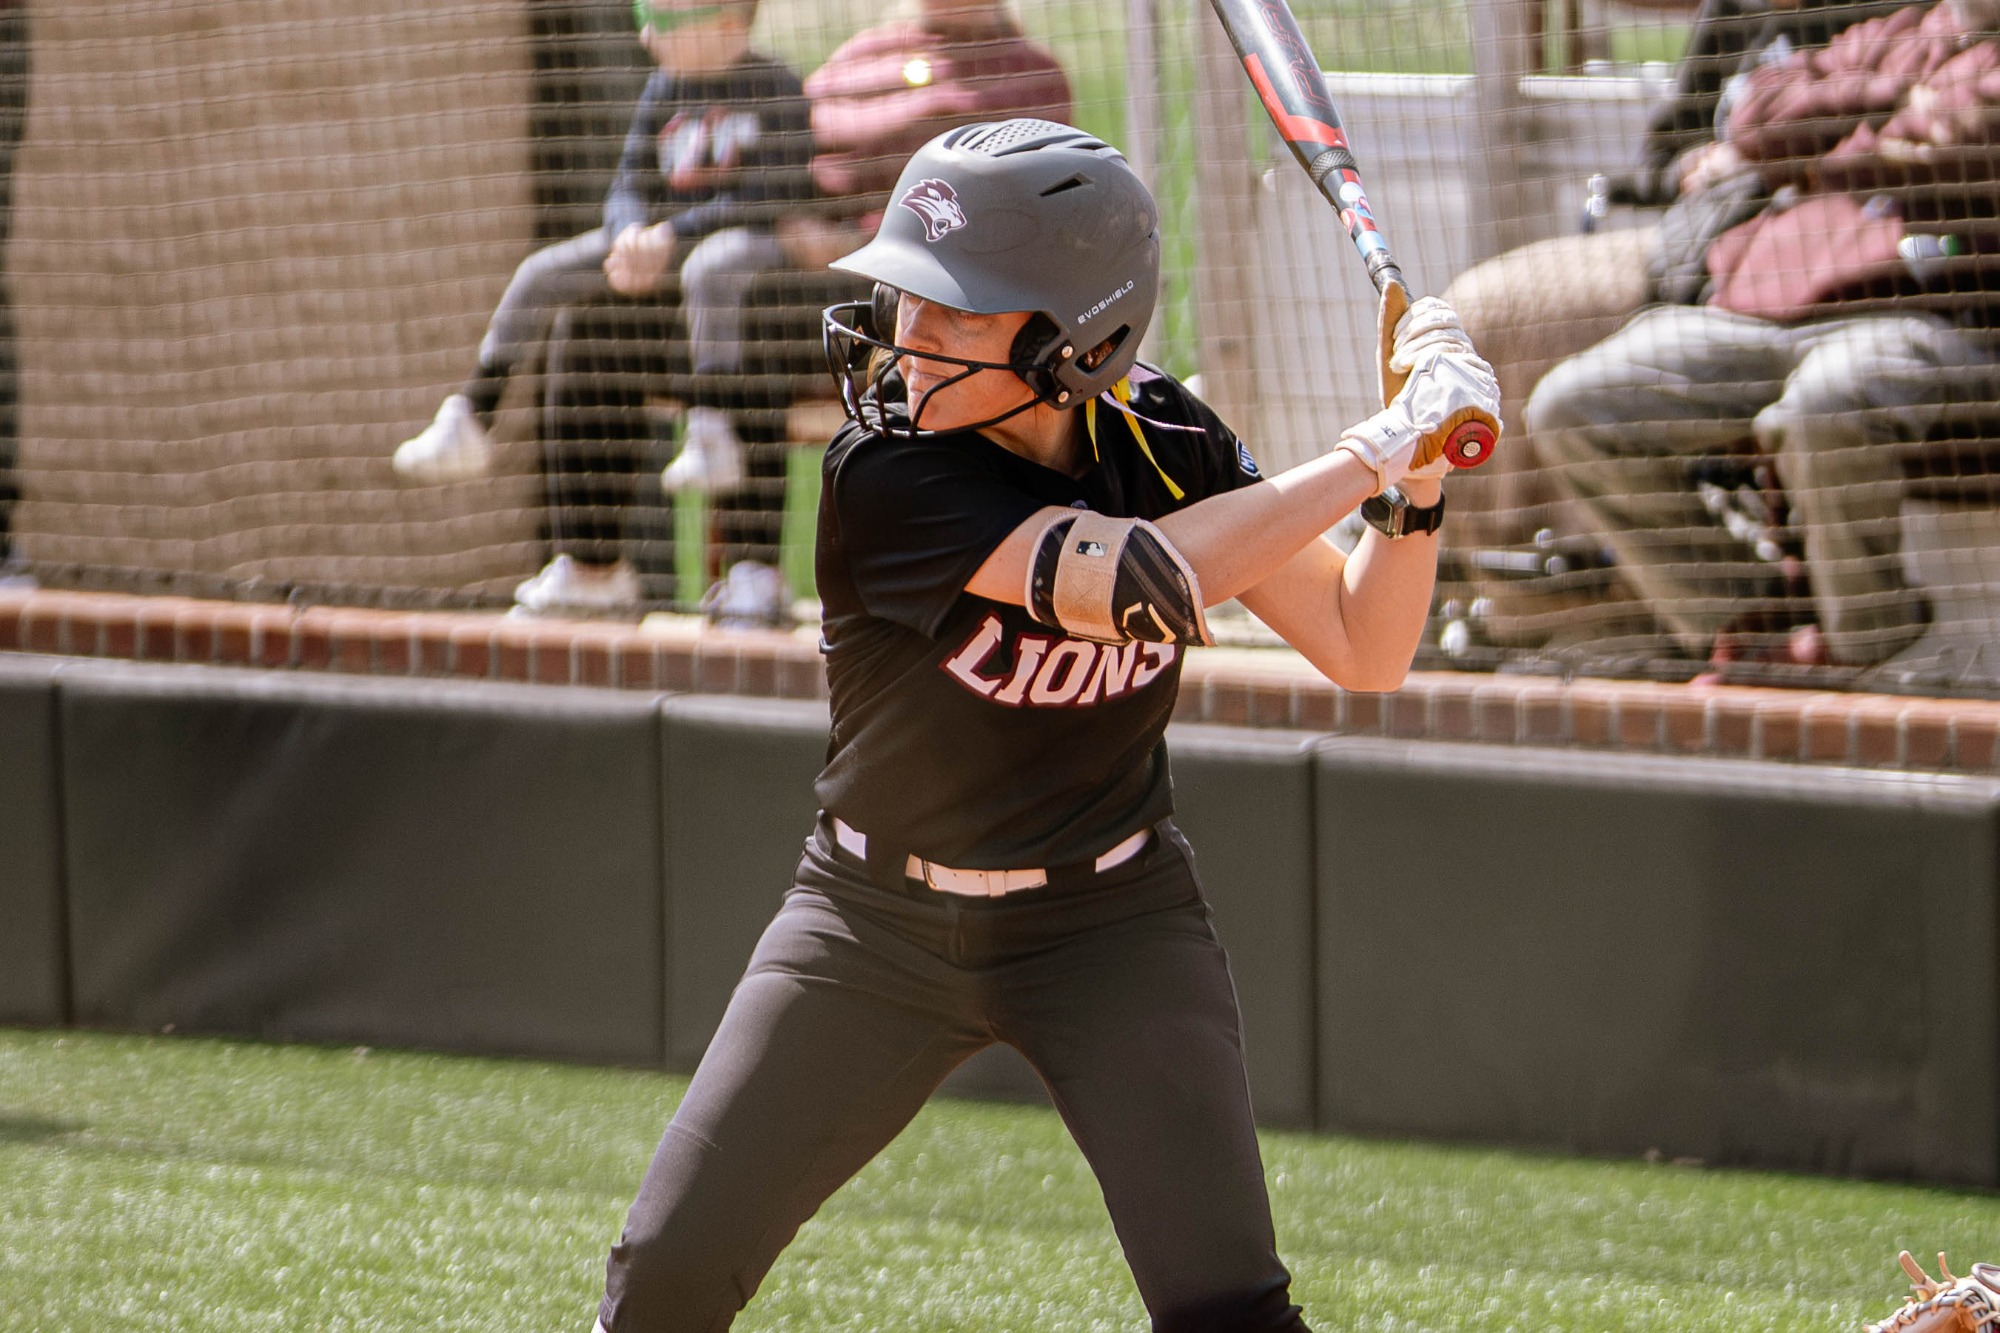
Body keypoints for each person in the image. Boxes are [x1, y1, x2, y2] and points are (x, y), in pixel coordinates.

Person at [584, 120, 1499, 1332]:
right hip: (870, 925)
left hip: (1109, 926)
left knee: (1228, 1309)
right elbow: (1140, 582)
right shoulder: (884, 472)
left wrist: (1417, 479)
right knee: (666, 1274)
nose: (907, 332)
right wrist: (1374, 444)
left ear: (1075, 343)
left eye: (953, 309)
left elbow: (1360, 646)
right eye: (906, 295)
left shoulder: (1161, 436)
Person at [1525, 0, 2000, 671]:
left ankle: (1868, 646)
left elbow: (1959, 145)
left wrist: (1815, 152)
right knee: (1573, 404)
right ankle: (1749, 623)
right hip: (1765, 312)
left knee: (1824, 404)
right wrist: (1889, 94)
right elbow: (1756, 113)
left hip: (1930, 317)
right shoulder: (1901, 30)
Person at [393, 0, 812, 616]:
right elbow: (627, 183)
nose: (647, 36)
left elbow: (775, 190)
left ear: (728, 23)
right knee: (546, 272)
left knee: (713, 268)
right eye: (643, 16)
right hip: (656, 260)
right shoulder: (663, 88)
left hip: (745, 268)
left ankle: (715, 433)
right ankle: (472, 415)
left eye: (665, 22)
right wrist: (631, 234)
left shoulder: (773, 85)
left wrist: (674, 233)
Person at [1442, 0, 1894, 566]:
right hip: (1691, 243)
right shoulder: (1735, 10)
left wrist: (1762, 159)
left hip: (1828, 254)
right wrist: (1698, 164)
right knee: (1494, 306)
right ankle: (1477, 559)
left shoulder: (1886, 19)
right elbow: (1659, 158)